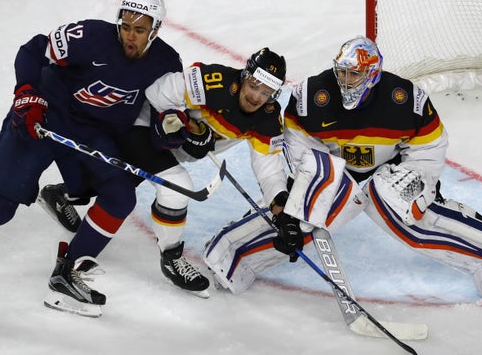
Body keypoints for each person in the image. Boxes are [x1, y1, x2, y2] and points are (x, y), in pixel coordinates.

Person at [0, 0, 196, 321]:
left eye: (138, 29)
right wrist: (27, 93)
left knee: (119, 198)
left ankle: (67, 275)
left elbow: (161, 112)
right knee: (2, 201)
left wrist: (170, 128)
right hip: (46, 113)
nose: (129, 35)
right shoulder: (89, 36)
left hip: (93, 130)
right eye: (125, 26)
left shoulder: (166, 63)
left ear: (155, 30)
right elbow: (33, 51)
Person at [204, 36, 482, 298]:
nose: (344, 80)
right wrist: (309, 184)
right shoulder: (311, 96)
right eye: (341, 72)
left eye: (353, 74)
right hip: (336, 169)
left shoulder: (405, 100)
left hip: (391, 172)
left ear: (372, 73)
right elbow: (297, 142)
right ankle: (229, 255)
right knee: (300, 214)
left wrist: (419, 180)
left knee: (404, 211)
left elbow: (430, 146)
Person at [38, 48, 305, 292]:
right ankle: (171, 258)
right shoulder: (212, 81)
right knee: (177, 189)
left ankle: (63, 195)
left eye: (266, 92)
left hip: (171, 147)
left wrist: (282, 214)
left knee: (122, 180)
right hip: (142, 126)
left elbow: (269, 168)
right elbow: (157, 93)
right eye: (254, 85)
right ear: (245, 75)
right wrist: (184, 123)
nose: (256, 96)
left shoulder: (267, 119)